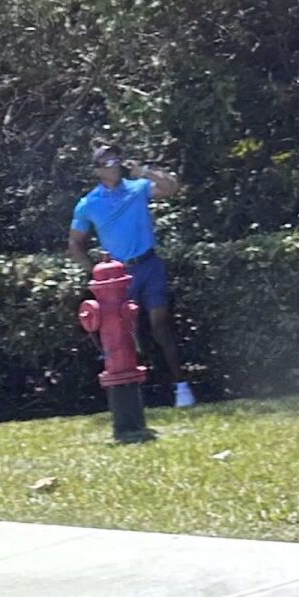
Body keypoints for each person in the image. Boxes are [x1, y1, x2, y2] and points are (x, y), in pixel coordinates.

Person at [67, 142, 195, 408]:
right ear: (96, 170)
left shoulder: (137, 188)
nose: (113, 167)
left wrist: (144, 171)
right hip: (119, 276)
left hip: (149, 264)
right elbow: (75, 244)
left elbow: (172, 187)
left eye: (116, 161)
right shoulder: (88, 204)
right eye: (107, 163)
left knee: (160, 324)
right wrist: (97, 274)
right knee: (125, 335)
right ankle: (137, 393)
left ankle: (182, 386)